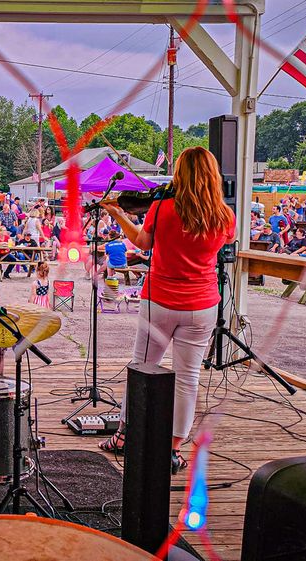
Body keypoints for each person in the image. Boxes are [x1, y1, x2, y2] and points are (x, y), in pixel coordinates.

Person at [98, 147, 236, 474]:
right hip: (202, 305)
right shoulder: (225, 216)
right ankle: (172, 449)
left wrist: (118, 215)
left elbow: (143, 243)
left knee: (143, 367)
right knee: (188, 378)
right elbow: (225, 241)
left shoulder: (163, 207)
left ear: (180, 174)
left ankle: (124, 435)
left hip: (160, 301)